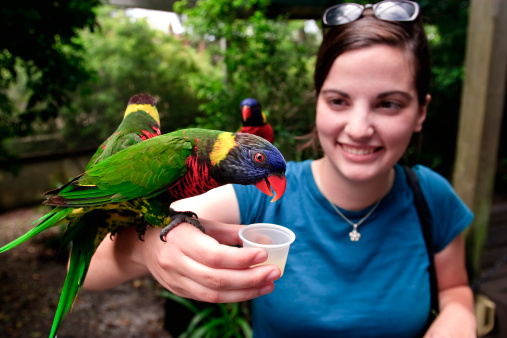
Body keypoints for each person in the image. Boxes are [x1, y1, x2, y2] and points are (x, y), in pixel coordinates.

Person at [83, 1, 476, 337]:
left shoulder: (433, 196)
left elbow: (456, 289)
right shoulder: (251, 199)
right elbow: (87, 267)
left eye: (388, 104)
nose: (359, 128)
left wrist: (457, 321)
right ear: (317, 100)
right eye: (339, 101)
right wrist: (146, 250)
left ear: (421, 111)